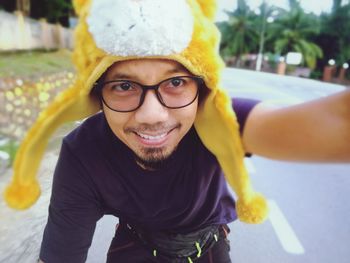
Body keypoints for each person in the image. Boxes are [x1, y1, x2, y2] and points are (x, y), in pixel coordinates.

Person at [3, 0, 350, 262]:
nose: (152, 115)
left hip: (211, 244)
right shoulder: (83, 154)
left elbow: (337, 124)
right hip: (134, 244)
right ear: (97, 95)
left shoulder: (219, 120)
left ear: (202, 89)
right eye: (124, 86)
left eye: (177, 82)